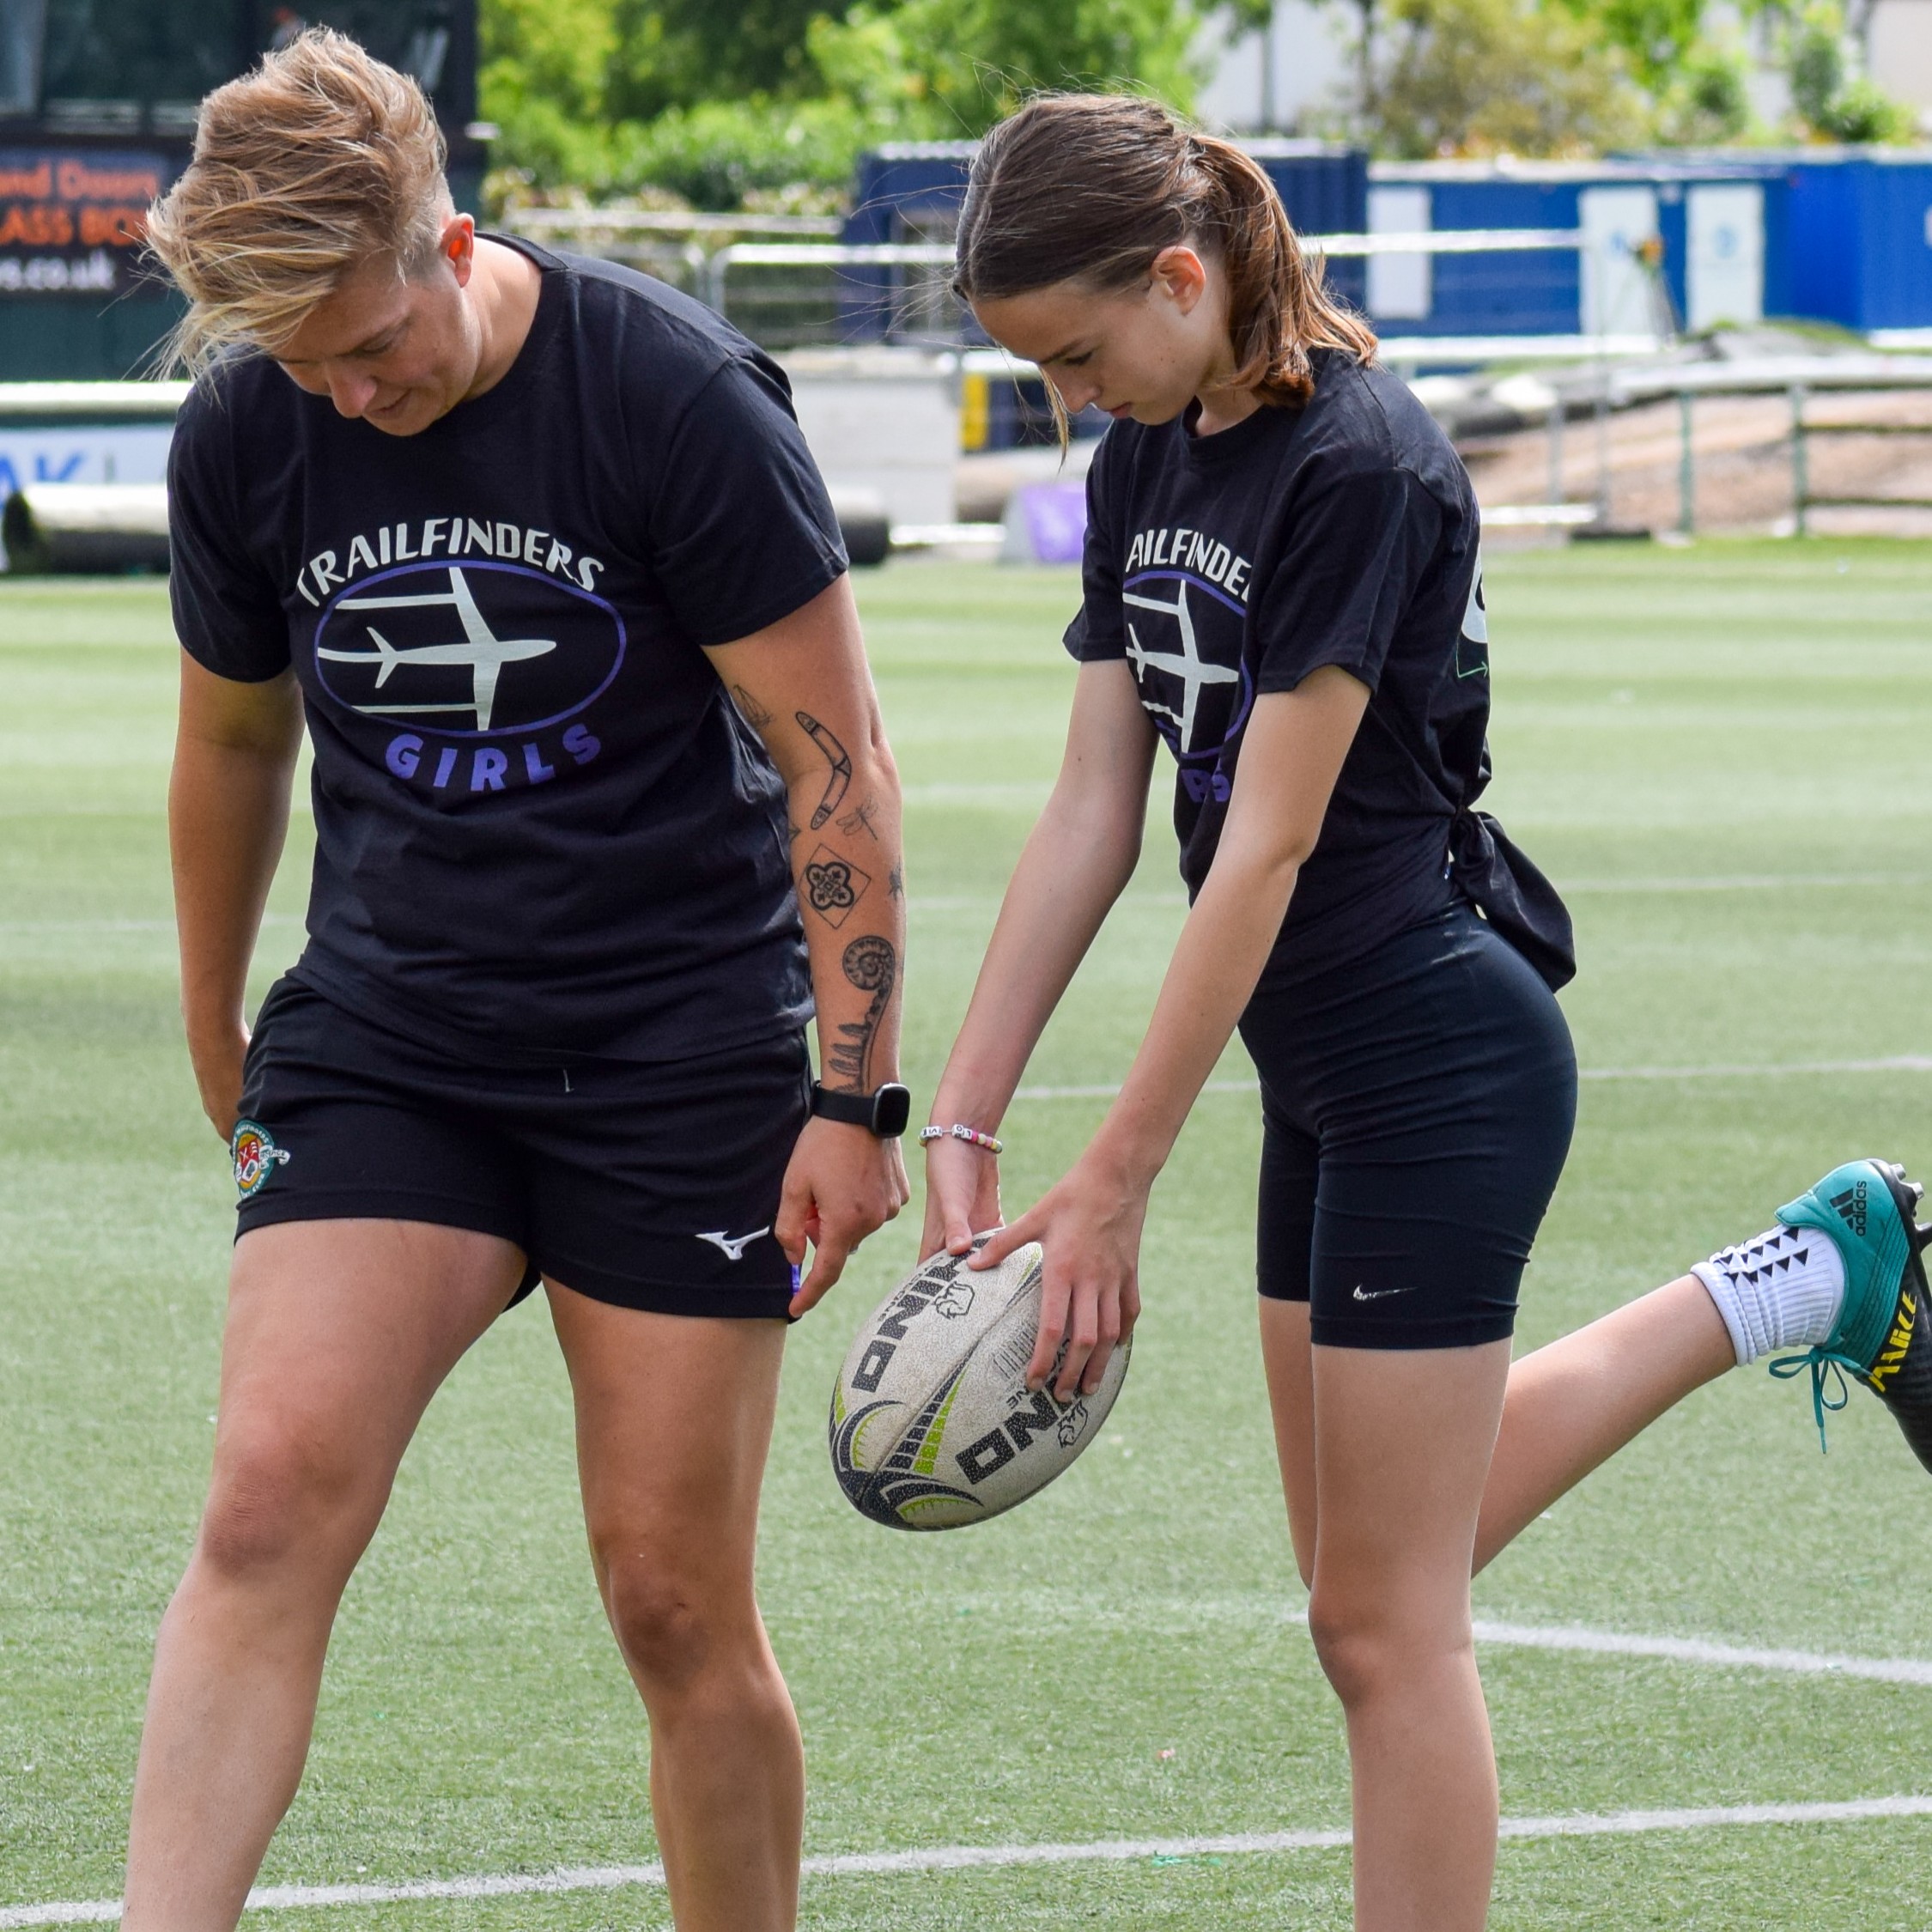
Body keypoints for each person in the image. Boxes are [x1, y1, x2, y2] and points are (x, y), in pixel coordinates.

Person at [920, 93, 1932, 1932]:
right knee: (1382, 1576)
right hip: (1317, 1063)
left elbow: (1272, 842)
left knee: (1387, 1632)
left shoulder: (1357, 463)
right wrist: (969, 1115)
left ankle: (1812, 1280)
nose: (1071, 401)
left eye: (1077, 353)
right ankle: (1811, 1278)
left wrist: (1122, 1171)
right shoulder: (1153, 446)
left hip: (1437, 1055)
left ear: (1176, 275)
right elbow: (1098, 802)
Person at [131, 30, 912, 1932]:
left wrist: (851, 1093)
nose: (348, 393)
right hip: (396, 1038)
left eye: (369, 345)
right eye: (302, 364)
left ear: (447, 235)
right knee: (264, 1502)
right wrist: (218, 1016)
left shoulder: (672, 399)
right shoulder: (252, 426)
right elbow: (235, 747)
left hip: (677, 1055)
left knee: (667, 1599)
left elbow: (837, 762)